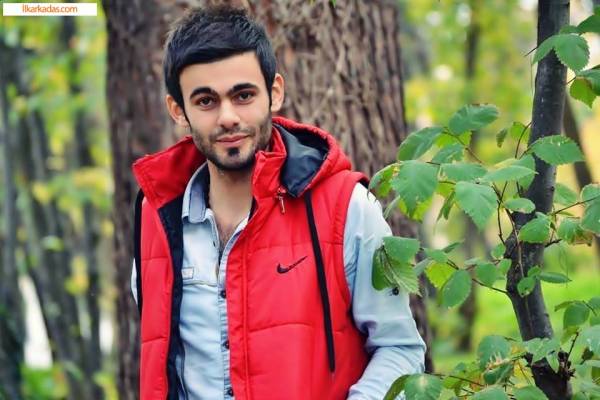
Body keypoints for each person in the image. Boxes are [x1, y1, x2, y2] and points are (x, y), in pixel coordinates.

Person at [130, 5, 425, 400]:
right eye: (206, 101)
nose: (228, 117)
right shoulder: (155, 218)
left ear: (275, 93)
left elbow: (399, 349)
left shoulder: (347, 207)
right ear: (178, 110)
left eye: (243, 95)